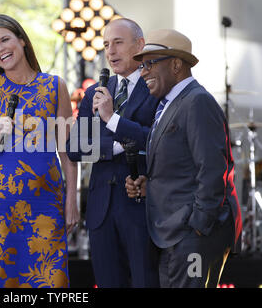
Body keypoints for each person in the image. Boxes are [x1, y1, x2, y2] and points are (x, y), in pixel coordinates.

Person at [125, 29, 242, 288]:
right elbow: (183, 166)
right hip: (176, 234)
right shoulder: (171, 104)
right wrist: (149, 184)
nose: (143, 71)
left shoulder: (197, 101)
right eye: (141, 65)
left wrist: (198, 227)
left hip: (193, 236)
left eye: (150, 63)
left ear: (176, 65)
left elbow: (213, 170)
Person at [0, 14, 79, 288]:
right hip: (2, 203)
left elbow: (67, 150)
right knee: (0, 278)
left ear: (22, 41)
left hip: (47, 201)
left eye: (4, 40)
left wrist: (71, 201)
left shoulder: (56, 86)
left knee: (49, 280)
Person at [66, 18, 159, 287]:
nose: (111, 51)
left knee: (145, 280)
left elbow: (155, 138)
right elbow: (75, 148)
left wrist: (111, 120)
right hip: (101, 209)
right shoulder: (95, 91)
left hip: (139, 207)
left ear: (139, 45)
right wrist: (119, 145)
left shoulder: (154, 86)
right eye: (106, 44)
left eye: (118, 42)